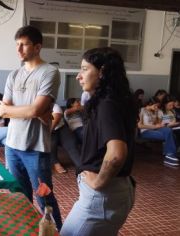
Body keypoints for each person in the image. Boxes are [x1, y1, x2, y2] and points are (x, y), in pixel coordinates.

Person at [61, 47, 138, 235]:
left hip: (102, 195)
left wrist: (98, 182)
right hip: (116, 190)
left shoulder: (106, 104)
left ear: (102, 72)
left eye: (84, 69)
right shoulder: (117, 100)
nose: (79, 76)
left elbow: (116, 155)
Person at [0, 25, 62, 231]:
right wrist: (30, 111)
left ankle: (54, 232)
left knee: (45, 199)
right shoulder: (13, 75)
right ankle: (25, 231)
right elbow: (1, 110)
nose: (19, 50)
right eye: (17, 45)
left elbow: (35, 110)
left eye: (24, 45)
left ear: (37, 47)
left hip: (36, 149)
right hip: (12, 146)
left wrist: (15, 110)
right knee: (19, 197)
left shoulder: (50, 72)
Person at [138, 98, 179, 167]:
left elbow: (157, 123)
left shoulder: (156, 111)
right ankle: (170, 155)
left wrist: (159, 122)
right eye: (155, 106)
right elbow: (140, 126)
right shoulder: (142, 110)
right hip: (146, 131)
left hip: (156, 128)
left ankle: (169, 155)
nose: (156, 107)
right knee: (169, 135)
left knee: (169, 130)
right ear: (150, 104)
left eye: (157, 106)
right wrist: (154, 127)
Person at [50, 104, 67, 174]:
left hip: (55, 129)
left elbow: (56, 120)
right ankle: (55, 162)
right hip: (41, 130)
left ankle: (55, 163)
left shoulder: (55, 106)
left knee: (52, 139)